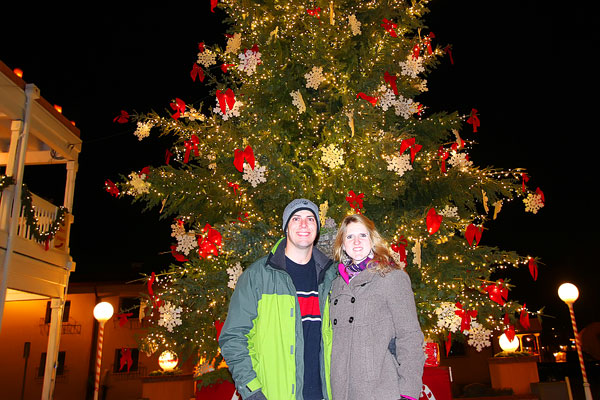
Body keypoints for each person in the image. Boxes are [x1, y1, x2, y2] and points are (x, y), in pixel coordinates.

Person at [219, 199, 337, 400]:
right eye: (295, 218)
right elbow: (233, 337)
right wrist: (252, 390)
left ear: (317, 228)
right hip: (272, 394)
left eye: (310, 219)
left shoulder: (331, 277)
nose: (303, 224)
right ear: (285, 227)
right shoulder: (258, 276)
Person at [329, 214, 424, 400]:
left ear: (372, 239)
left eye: (362, 235)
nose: (356, 242)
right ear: (342, 244)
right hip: (341, 391)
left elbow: (409, 336)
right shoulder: (336, 285)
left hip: (380, 390)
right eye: (349, 237)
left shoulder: (391, 277)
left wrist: (409, 392)